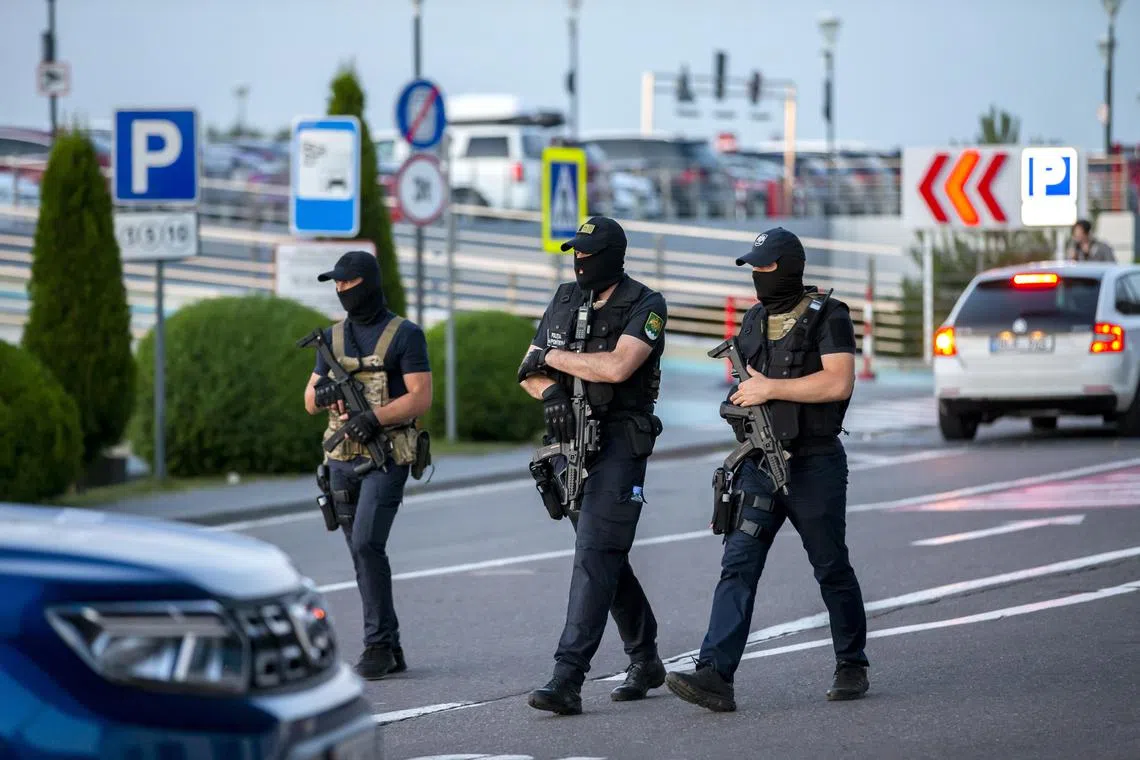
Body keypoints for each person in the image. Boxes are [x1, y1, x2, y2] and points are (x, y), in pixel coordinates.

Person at [665, 227, 870, 712]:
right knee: (738, 564)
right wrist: (739, 402)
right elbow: (747, 387)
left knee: (830, 566)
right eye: (752, 268)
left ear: (790, 267)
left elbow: (838, 383)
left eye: (765, 267)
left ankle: (851, 663)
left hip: (814, 462)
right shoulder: (754, 320)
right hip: (759, 460)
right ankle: (714, 674)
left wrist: (770, 389)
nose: (758, 276)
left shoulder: (829, 316)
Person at [517, 216, 668, 715]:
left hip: (619, 444)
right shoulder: (564, 298)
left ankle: (567, 677)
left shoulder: (645, 304)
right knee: (604, 555)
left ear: (613, 256)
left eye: (588, 253)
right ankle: (645, 658)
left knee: (595, 553)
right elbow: (527, 371)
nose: (579, 261)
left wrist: (554, 362)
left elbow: (618, 367)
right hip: (569, 444)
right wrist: (551, 392)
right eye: (574, 253)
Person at [303, 249, 432, 680]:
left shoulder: (404, 335)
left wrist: (372, 418)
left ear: (370, 284)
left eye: (349, 284)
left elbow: (420, 397)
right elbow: (309, 399)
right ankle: (389, 647)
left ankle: (377, 644)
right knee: (361, 554)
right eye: (336, 285)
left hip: (387, 456)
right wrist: (324, 396)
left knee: (366, 544)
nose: (342, 291)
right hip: (340, 460)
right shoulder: (332, 340)